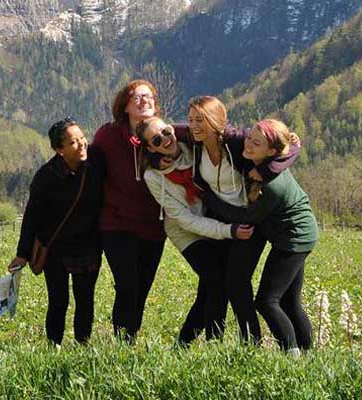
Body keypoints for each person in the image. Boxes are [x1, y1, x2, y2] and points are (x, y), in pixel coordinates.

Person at [180, 96, 300, 344]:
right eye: (191, 119)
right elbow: (162, 133)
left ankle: (250, 344)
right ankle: (215, 343)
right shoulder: (194, 142)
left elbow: (284, 146)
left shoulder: (236, 141)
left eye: (200, 119)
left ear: (216, 121)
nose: (194, 125)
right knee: (213, 285)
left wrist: (266, 170)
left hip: (248, 223)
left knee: (237, 283)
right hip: (221, 224)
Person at [201, 119, 318, 357]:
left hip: (294, 239)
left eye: (257, 143)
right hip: (297, 236)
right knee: (289, 302)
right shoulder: (257, 162)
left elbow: (247, 216)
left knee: (267, 301)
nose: (249, 144)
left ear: (272, 152)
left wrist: (209, 199)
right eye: (249, 138)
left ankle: (292, 355)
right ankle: (308, 356)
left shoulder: (273, 186)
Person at [136, 115, 255, 346]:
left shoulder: (192, 146)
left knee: (209, 290)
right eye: (156, 140)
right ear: (150, 148)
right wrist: (229, 230)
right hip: (186, 231)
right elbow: (186, 220)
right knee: (216, 281)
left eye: (166, 132)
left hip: (212, 219)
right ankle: (214, 344)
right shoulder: (153, 176)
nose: (165, 140)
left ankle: (183, 344)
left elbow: (214, 132)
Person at [8, 118, 103, 345]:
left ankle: (82, 346)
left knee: (85, 300)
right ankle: (54, 347)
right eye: (73, 142)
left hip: (88, 245)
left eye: (82, 138)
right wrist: (22, 254)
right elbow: (31, 217)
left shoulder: (96, 165)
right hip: (56, 249)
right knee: (58, 301)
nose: (81, 144)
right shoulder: (46, 176)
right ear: (59, 150)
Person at [92, 79, 166, 342]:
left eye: (148, 97)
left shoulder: (164, 134)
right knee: (127, 286)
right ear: (124, 106)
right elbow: (90, 172)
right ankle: (123, 342)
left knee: (142, 288)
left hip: (153, 228)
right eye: (136, 97)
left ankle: (130, 339)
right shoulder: (108, 136)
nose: (144, 101)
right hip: (116, 224)